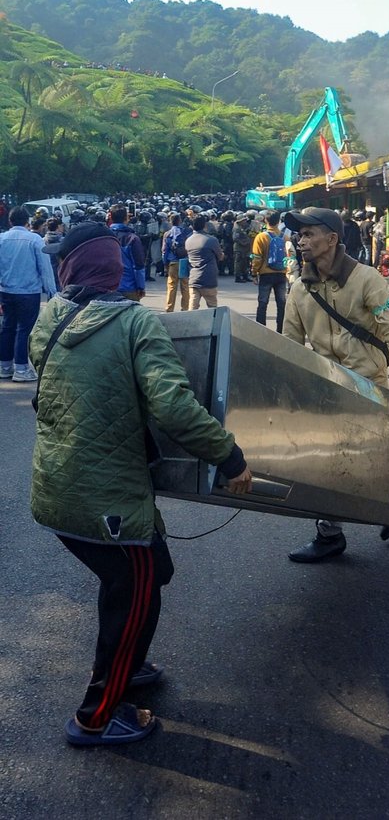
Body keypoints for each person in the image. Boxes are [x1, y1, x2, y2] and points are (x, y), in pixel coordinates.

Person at [29, 221, 252, 747]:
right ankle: (98, 716)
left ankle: (129, 662)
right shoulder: (135, 324)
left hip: (58, 488)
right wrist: (229, 456)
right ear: (115, 265)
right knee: (136, 593)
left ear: (70, 268)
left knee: (148, 573)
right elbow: (173, 406)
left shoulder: (51, 319)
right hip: (108, 499)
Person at [282, 207, 389, 563]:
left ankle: (387, 497)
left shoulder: (367, 279)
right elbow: (290, 345)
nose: (301, 240)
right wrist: (287, 392)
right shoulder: (299, 289)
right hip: (326, 387)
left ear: (332, 239)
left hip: (368, 386)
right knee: (328, 463)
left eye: (309, 233)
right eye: (300, 234)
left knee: (352, 461)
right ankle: (333, 533)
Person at [0, 205, 56, 382]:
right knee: (24, 329)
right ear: (28, 221)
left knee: (7, 327)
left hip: (6, 290)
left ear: (9, 221)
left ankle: (5, 366)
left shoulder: (2, 239)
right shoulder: (35, 240)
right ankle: (21, 368)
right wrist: (51, 292)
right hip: (29, 291)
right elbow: (45, 268)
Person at [251, 210, 287, 333]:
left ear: (265, 220)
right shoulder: (285, 237)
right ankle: (281, 330)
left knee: (262, 302)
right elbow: (289, 256)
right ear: (279, 221)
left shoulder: (261, 237)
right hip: (281, 274)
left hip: (265, 274)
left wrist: (254, 273)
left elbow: (257, 257)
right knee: (281, 303)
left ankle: (261, 330)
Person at [185, 214, 224, 309]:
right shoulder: (211, 240)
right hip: (209, 278)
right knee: (213, 308)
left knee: (192, 308)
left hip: (194, 278)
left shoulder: (188, 240)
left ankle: (191, 324)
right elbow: (220, 257)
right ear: (205, 225)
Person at [108, 203, 146, 302]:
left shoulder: (103, 236)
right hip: (129, 288)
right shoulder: (132, 238)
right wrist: (141, 287)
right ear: (127, 218)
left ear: (110, 216)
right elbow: (138, 266)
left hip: (107, 288)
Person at [162, 213, 190, 312]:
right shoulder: (185, 233)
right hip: (184, 261)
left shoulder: (167, 234)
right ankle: (185, 308)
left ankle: (169, 308)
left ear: (170, 222)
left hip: (173, 262)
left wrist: (165, 264)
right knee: (185, 286)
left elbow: (164, 251)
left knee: (172, 286)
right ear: (180, 221)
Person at [232, 214, 253, 283]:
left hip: (245, 248)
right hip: (239, 248)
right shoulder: (237, 228)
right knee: (238, 263)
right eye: (243, 221)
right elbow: (235, 238)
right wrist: (243, 243)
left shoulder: (244, 227)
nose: (245, 222)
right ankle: (238, 276)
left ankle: (245, 275)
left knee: (245, 262)